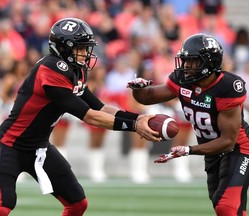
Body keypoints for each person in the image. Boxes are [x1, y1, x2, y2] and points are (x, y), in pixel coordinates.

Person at [0, 17, 160, 216]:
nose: (86, 54)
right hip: (9, 146)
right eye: (81, 48)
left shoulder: (75, 70)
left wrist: (137, 118)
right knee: (4, 206)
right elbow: (89, 116)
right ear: (64, 48)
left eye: (86, 48)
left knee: (77, 203)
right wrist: (134, 127)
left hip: (38, 147)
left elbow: (100, 107)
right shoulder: (50, 69)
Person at [127, 33, 249, 216]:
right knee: (225, 208)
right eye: (185, 60)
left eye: (193, 61)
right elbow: (148, 97)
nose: (186, 66)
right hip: (213, 155)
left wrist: (189, 150)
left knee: (226, 207)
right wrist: (138, 89)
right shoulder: (183, 81)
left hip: (239, 151)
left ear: (210, 62)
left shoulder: (227, 87)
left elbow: (228, 140)